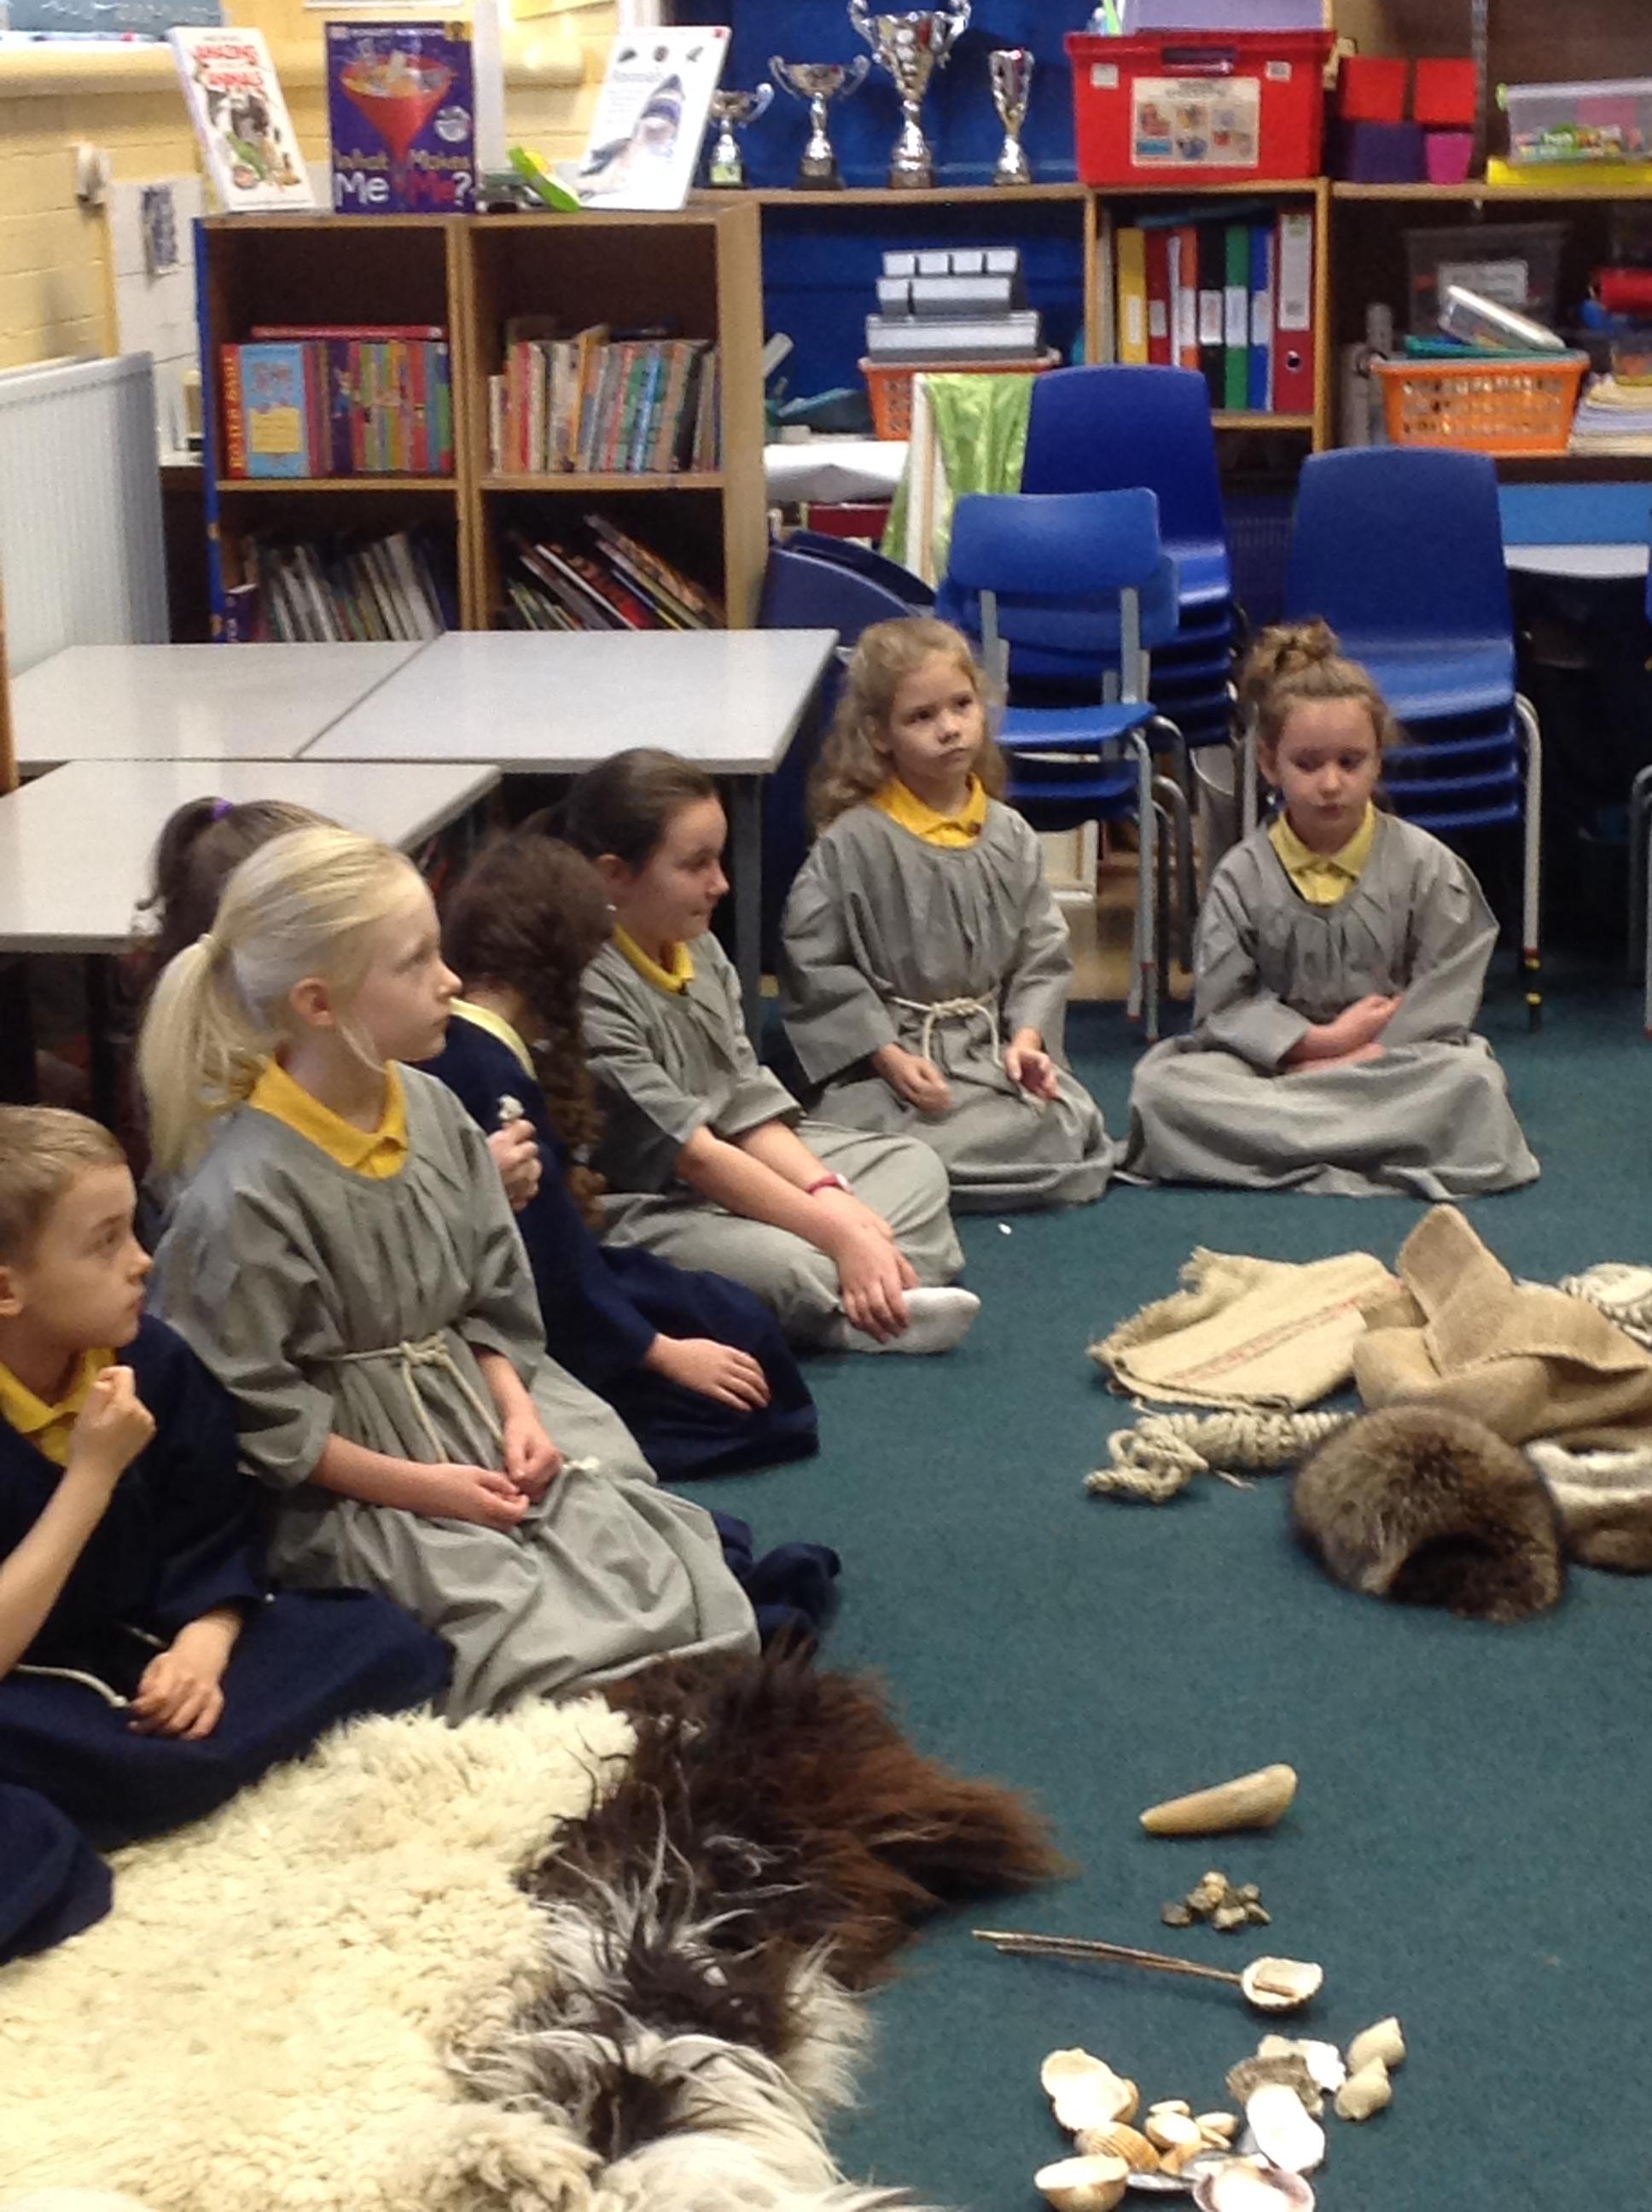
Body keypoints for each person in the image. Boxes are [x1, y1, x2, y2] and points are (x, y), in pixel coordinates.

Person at [139, 824, 759, 1721]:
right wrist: (427, 1487)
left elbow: (489, 1297)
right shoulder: (241, 1195)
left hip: (473, 1426)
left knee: (662, 1569)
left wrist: (518, 1414)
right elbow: (256, 1419)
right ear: (319, 1003)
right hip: (355, 1486)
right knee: (519, 1630)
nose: (452, 982)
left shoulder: (431, 1107)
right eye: (417, 963)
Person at [0, 1106, 449, 1959]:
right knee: (45, 1834)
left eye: (134, 1229)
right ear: (6, 1290)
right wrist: (91, 1476)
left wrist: (205, 1640)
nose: (142, 1262)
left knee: (384, 1640)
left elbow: (212, 1530)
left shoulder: (153, 1361)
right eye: (104, 1243)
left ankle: (129, 1787)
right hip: (24, 1686)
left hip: (138, 1650)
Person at [417, 828, 822, 1482]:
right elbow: (545, 1272)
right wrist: (657, 1351)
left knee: (729, 1313)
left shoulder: (486, 1052)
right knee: (744, 1390)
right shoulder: (491, 1078)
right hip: (535, 1318)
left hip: (576, 1279)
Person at [567, 749, 980, 1355]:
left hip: (733, 1167)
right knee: (790, 1262)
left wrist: (827, 1194)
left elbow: (744, 1100)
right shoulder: (589, 988)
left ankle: (867, 1281)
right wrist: (837, 1232)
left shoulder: (698, 946)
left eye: (719, 859)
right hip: (649, 1203)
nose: (721, 884)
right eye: (696, 865)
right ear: (614, 876)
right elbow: (696, 1158)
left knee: (914, 1166)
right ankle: (859, 1304)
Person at [1125, 621, 1540, 1198]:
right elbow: (1225, 1007)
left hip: (1392, 1064)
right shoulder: (1241, 876)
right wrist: (1318, 1044)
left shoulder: (1428, 866)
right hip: (1276, 1068)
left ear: (1378, 763)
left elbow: (1444, 991)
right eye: (1308, 763)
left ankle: (1284, 1141)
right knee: (1163, 1088)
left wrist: (1360, 1056)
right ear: (1269, 763)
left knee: (1471, 1080)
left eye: (1350, 762)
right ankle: (1371, 1140)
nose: (1330, 783)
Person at [779, 616, 1115, 1212]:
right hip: (898, 1069)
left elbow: (1041, 954)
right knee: (865, 1129)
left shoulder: (1009, 834)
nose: (950, 729)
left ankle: (918, 1172)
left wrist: (1027, 1043)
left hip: (991, 1057)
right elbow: (817, 966)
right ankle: (910, 1163)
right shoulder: (852, 843)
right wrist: (888, 1058)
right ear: (879, 734)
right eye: (921, 717)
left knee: (1066, 1119)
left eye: (962, 705)